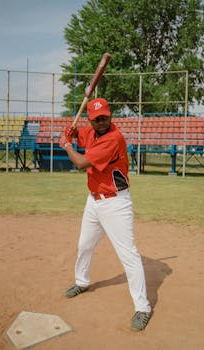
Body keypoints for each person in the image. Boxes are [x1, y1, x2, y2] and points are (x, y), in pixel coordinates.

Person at [59, 97, 152, 331]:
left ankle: (143, 307)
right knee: (84, 245)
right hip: (94, 202)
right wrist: (71, 132)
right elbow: (80, 135)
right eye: (96, 119)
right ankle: (82, 281)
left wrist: (67, 144)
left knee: (129, 256)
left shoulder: (113, 138)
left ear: (110, 116)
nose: (101, 122)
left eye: (104, 117)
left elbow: (81, 163)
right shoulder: (91, 132)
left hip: (115, 204)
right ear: (90, 119)